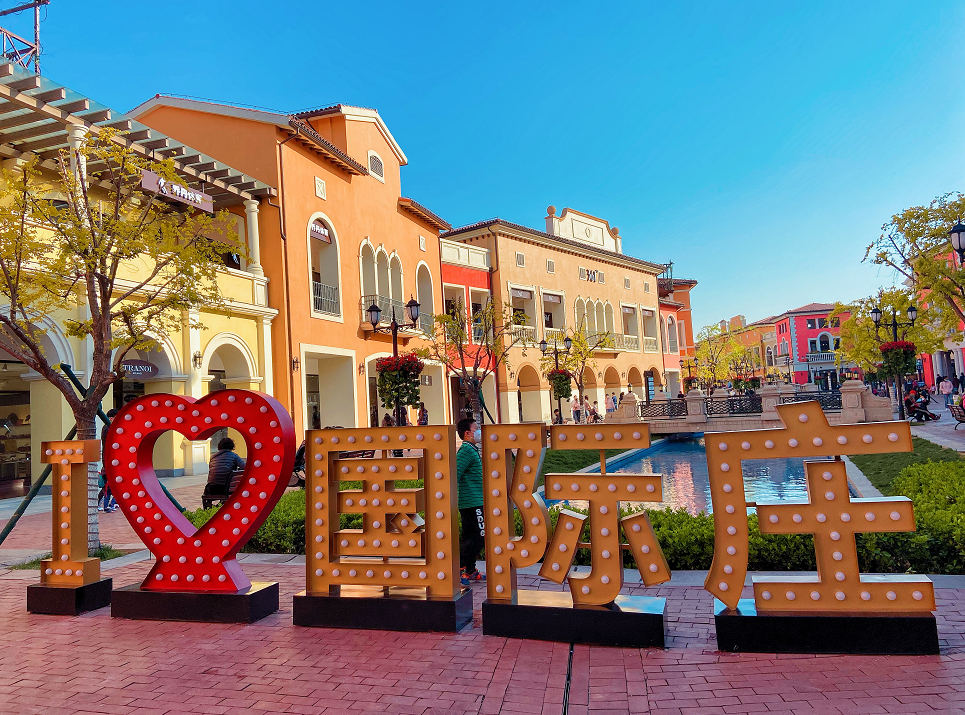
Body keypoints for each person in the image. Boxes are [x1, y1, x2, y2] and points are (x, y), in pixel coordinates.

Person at [455, 417, 485, 586]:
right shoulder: (466, 450)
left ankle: (471, 570)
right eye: (476, 429)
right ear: (468, 433)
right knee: (477, 536)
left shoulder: (472, 449)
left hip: (475, 501)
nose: (479, 432)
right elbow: (455, 473)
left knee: (474, 536)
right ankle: (460, 569)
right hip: (470, 502)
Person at [98, 408, 119, 512]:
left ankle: (110, 503)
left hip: (111, 458)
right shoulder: (107, 428)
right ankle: (105, 504)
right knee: (108, 484)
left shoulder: (110, 427)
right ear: (111, 418)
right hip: (109, 459)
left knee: (110, 484)